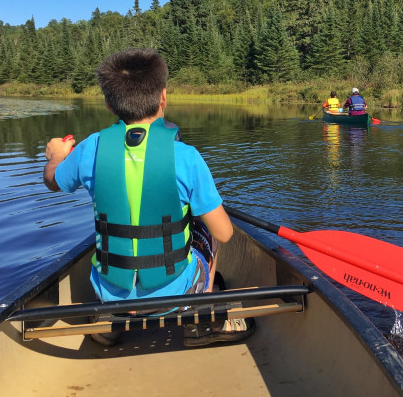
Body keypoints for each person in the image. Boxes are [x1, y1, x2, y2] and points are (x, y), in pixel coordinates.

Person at [42, 48, 253, 347]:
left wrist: (57, 156)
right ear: (163, 97)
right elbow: (226, 233)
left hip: (108, 295)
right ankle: (198, 320)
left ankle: (110, 321)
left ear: (108, 104)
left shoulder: (89, 149)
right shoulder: (187, 157)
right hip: (173, 296)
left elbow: (52, 180)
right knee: (208, 232)